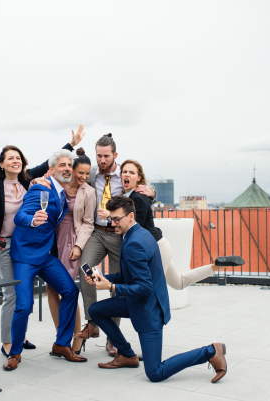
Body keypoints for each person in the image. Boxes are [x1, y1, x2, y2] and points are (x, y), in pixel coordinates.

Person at [85, 196, 227, 383]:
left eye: (117, 219)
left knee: (155, 373)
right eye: (111, 219)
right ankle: (127, 354)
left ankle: (210, 351)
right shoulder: (139, 233)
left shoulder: (133, 244)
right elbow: (131, 277)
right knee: (95, 310)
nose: (113, 224)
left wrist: (110, 286)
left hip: (148, 310)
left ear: (131, 216)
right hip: (138, 302)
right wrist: (103, 278)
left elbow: (144, 288)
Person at [0, 126, 85, 361]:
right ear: (52, 170)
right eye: (61, 165)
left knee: (71, 291)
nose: (66, 169)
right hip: (24, 256)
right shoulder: (40, 187)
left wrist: (71, 144)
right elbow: (20, 216)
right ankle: (14, 352)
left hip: (46, 255)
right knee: (24, 304)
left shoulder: (59, 191)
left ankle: (61, 344)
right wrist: (31, 221)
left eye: (69, 166)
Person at [75, 134, 154, 357]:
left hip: (120, 236)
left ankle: (113, 338)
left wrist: (152, 192)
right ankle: (92, 322)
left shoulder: (124, 175)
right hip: (98, 232)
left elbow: (141, 198)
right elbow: (69, 174)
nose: (101, 160)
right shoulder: (91, 173)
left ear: (114, 155)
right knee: (86, 267)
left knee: (119, 283)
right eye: (98, 155)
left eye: (106, 156)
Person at [120, 160, 225, 289]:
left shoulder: (137, 198)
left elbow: (137, 231)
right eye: (124, 172)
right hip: (160, 246)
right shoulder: (132, 196)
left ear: (139, 177)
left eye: (132, 172)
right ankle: (216, 266)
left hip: (156, 248)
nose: (127, 175)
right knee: (179, 282)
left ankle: (157, 310)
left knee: (148, 289)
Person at [47, 148, 95, 354]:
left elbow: (89, 222)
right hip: (52, 239)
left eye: (87, 173)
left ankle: (75, 338)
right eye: (80, 172)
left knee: (67, 290)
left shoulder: (89, 192)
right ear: (72, 169)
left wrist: (78, 246)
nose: (84, 177)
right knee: (51, 289)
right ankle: (61, 337)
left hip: (72, 241)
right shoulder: (59, 183)